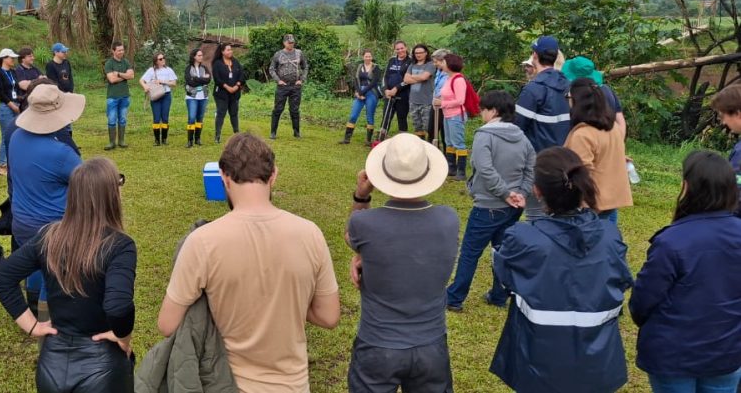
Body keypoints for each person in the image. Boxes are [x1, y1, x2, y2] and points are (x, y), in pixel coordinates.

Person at [157, 133, 340, 392]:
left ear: (224, 177)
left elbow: (167, 324)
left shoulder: (202, 242)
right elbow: (328, 316)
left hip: (225, 384)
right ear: (274, 175)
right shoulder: (311, 234)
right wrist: (288, 298)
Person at [490, 146, 633, 393]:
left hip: (536, 363)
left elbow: (504, 278)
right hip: (597, 364)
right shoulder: (609, 236)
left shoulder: (524, 237)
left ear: (537, 190)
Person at [0, 158, 136, 392]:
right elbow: (118, 306)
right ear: (110, 195)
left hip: (52, 365)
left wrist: (31, 326)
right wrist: (123, 337)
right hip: (102, 370)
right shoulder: (120, 245)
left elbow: (3, 277)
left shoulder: (49, 237)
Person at [346, 133, 459, 392]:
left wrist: (361, 196)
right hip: (431, 344)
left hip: (377, 344)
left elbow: (353, 239)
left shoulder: (364, 223)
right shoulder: (449, 219)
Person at [630, 151, 741, 393]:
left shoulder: (671, 241)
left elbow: (643, 301)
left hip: (672, 355)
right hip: (727, 352)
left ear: (687, 186)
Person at [445, 91, 534, 312]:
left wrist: (504, 193)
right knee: (501, 251)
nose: (481, 113)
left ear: (493, 111)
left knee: (470, 253)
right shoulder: (522, 137)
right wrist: (520, 193)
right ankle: (499, 295)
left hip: (488, 205)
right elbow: (530, 168)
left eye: (483, 109)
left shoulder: (484, 135)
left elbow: (484, 168)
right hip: (512, 206)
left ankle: (454, 297)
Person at [9, 83, 86, 319]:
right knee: (53, 275)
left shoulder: (16, 137)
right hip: (53, 226)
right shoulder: (61, 153)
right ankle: (46, 320)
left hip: (22, 221)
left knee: (34, 264)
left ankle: (33, 307)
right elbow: (86, 182)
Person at [514, 36, 571, 219]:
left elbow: (517, 129)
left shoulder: (533, 89)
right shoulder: (567, 85)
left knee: (535, 215)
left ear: (535, 56)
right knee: (558, 213)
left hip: (537, 162)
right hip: (563, 161)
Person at [564, 78, 632, 224]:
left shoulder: (582, 135)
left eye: (568, 97)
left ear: (577, 101)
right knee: (607, 235)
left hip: (590, 207)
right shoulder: (613, 128)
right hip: (611, 201)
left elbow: (581, 175)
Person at [562, 56, 627, 138]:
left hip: (587, 140)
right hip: (608, 139)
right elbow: (620, 121)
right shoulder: (607, 90)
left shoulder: (577, 95)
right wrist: (618, 141)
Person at [268, 33, 309, 139]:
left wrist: (301, 80)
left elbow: (305, 67)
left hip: (295, 86)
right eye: (289, 43)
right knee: (278, 109)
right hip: (282, 87)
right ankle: (273, 132)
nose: (291, 44)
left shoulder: (299, 53)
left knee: (294, 110)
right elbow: (271, 69)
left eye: (292, 42)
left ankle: (296, 132)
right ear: (284, 43)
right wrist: (278, 80)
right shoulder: (278, 54)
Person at [340, 50, 382, 146]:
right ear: (363, 57)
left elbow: (374, 82)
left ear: (372, 57)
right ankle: (346, 139)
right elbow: (356, 80)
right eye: (366, 56)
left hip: (371, 92)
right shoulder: (359, 66)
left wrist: (363, 92)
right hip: (360, 93)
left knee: (369, 116)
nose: (368, 58)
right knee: (353, 115)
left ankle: (368, 141)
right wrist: (358, 92)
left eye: (369, 56)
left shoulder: (376, 67)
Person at [439, 53, 469, 180]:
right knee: (449, 142)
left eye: (443, 62)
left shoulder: (458, 80)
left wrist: (442, 104)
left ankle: (461, 172)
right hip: (447, 115)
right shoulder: (448, 78)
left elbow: (460, 100)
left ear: (450, 64)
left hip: (456, 115)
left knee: (458, 143)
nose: (441, 64)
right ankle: (451, 168)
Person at [140, 52, 178, 146]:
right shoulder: (151, 70)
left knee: (165, 118)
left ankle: (164, 139)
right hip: (155, 96)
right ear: (156, 61)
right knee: (156, 118)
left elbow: (174, 83)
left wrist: (162, 81)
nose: (163, 59)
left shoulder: (169, 70)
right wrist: (145, 86)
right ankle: (157, 140)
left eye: (163, 57)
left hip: (166, 95)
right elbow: (141, 80)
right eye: (160, 59)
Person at [0, 48, 21, 175]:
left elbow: (17, 88)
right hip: (6, 107)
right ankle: (2, 165)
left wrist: (19, 102)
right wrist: (12, 105)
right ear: (4, 59)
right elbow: (2, 93)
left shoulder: (13, 72)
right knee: (6, 136)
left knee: (17, 134)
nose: (13, 60)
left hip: (17, 104)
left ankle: (13, 162)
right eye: (11, 58)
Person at [104, 41, 135, 150]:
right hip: (112, 96)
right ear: (113, 51)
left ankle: (121, 141)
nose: (121, 52)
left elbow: (132, 76)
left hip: (124, 96)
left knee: (122, 119)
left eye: (122, 50)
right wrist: (125, 76)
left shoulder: (126, 62)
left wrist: (118, 74)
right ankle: (112, 142)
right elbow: (112, 80)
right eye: (119, 50)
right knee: (112, 120)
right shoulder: (109, 64)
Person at [212, 43, 244, 144]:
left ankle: (237, 134)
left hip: (234, 93)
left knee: (234, 113)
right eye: (228, 50)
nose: (231, 51)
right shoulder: (217, 63)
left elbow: (242, 75)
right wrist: (227, 87)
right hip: (221, 93)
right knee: (221, 113)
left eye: (231, 49)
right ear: (222, 52)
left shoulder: (235, 62)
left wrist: (237, 86)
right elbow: (217, 79)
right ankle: (217, 135)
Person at [405, 43, 437, 141]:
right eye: (416, 53)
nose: (418, 55)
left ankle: (431, 145)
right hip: (413, 101)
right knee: (417, 126)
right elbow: (405, 79)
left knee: (428, 126)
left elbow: (424, 77)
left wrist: (412, 77)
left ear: (426, 53)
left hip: (426, 101)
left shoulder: (430, 64)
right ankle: (421, 144)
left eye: (421, 52)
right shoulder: (412, 65)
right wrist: (420, 78)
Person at [381, 40, 413, 135]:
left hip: (403, 95)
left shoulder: (411, 61)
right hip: (389, 94)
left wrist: (396, 88)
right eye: (397, 49)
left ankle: (403, 138)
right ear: (395, 50)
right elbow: (385, 76)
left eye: (402, 48)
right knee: (386, 117)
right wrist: (386, 90)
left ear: (406, 47)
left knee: (402, 117)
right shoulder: (391, 60)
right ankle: (381, 137)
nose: (400, 50)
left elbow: (409, 80)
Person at [183, 47, 211, 148]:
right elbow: (189, 82)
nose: (201, 57)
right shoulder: (188, 68)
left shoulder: (204, 68)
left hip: (203, 96)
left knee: (200, 118)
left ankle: (197, 139)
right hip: (192, 97)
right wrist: (202, 79)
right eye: (199, 55)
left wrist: (195, 78)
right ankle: (190, 140)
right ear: (194, 57)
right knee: (191, 118)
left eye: (201, 55)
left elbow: (208, 80)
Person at [430, 48, 451, 149]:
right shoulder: (439, 71)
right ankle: (433, 152)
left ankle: (447, 155)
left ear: (444, 61)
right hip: (436, 105)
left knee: (444, 133)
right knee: (431, 130)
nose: (434, 64)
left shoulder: (451, 74)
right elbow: (437, 87)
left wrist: (441, 100)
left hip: (445, 106)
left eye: (436, 62)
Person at [14, 46, 43, 111]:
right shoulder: (18, 70)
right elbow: (24, 86)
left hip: (38, 100)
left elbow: (45, 80)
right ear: (23, 59)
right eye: (30, 56)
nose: (33, 58)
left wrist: (30, 82)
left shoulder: (35, 68)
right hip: (26, 103)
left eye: (32, 56)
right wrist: (38, 80)